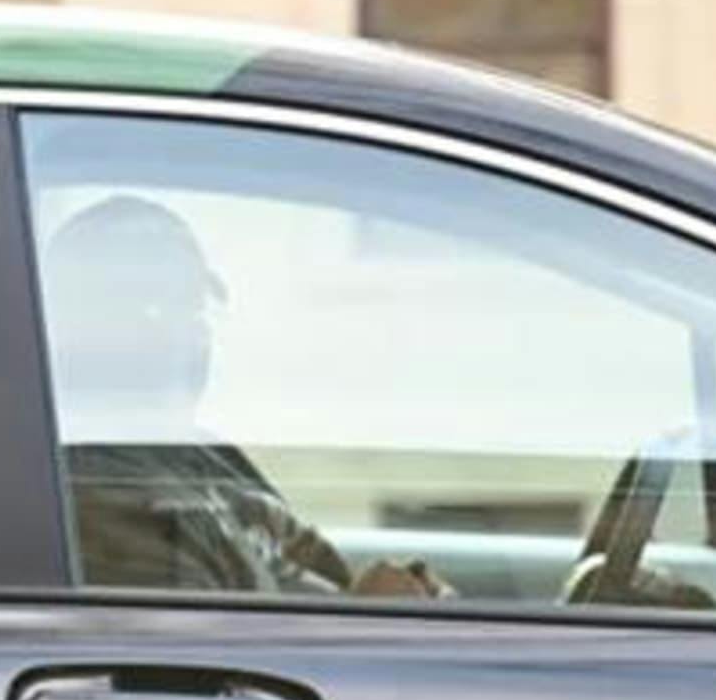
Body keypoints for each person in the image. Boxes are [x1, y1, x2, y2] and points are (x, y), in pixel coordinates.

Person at [45, 195, 447, 599]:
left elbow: (311, 561)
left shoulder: (199, 456)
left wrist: (392, 598)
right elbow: (205, 653)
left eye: (194, 307)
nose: (196, 332)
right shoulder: (100, 497)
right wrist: (371, 621)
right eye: (163, 307)